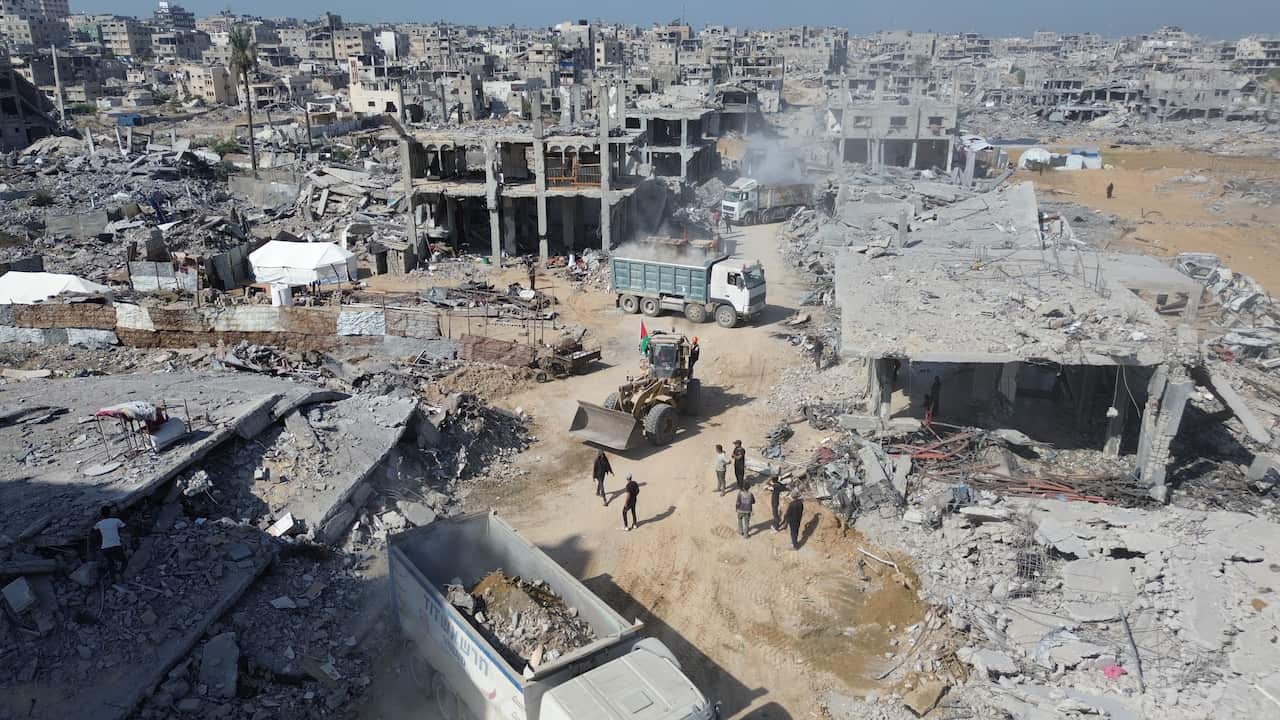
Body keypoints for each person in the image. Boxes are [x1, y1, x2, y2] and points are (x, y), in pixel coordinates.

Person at [92, 505, 127, 582]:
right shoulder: (116, 520)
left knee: (110, 563)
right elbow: (124, 527)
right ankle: (120, 573)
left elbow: (93, 531)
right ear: (110, 512)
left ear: (101, 514)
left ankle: (113, 579)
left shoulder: (99, 523)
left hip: (105, 548)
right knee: (124, 561)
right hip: (116, 545)